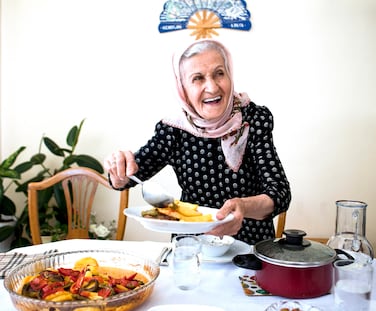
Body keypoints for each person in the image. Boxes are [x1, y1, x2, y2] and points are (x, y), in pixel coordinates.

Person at [104, 39, 291, 245]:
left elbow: (280, 193)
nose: (212, 87)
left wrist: (244, 207)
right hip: (191, 249)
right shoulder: (174, 130)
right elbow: (130, 176)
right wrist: (118, 170)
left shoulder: (254, 119)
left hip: (250, 248)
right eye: (198, 78)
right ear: (183, 88)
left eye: (219, 73)